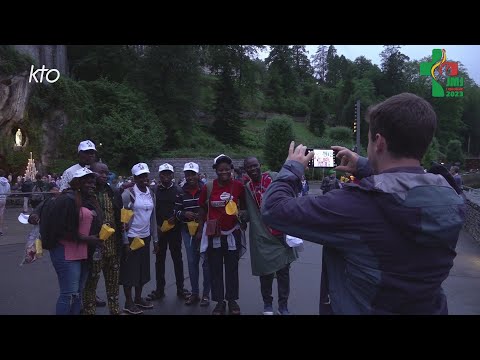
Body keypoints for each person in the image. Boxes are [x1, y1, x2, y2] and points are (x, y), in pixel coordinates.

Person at [261, 93, 466, 315]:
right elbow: (407, 184)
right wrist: (366, 166)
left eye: (369, 139)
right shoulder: (451, 199)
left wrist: (293, 167)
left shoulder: (356, 205)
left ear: (379, 142)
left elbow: (273, 208)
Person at [242, 157, 298, 315]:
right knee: (265, 271)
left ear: (260, 165)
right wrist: (241, 215)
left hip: (280, 232)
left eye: (254, 166)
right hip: (261, 235)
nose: (252, 169)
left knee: (283, 272)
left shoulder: (273, 177)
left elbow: (290, 192)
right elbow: (249, 211)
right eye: (249, 167)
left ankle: (283, 306)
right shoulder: (247, 187)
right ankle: (267, 304)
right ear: (246, 170)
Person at [46, 168, 103, 315]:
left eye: (93, 182)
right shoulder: (66, 199)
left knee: (78, 293)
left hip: (83, 252)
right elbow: (58, 228)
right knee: (69, 294)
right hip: (66, 252)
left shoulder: (88, 199)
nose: (92, 185)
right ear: (77, 182)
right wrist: (85, 238)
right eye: (88, 182)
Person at [196, 154, 246, 315]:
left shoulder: (238, 186)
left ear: (231, 170)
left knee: (232, 269)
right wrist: (199, 229)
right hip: (214, 235)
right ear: (215, 171)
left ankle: (232, 300)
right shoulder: (208, 187)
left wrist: (243, 218)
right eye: (220, 170)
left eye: (226, 169)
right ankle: (219, 301)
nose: (223, 172)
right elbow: (202, 208)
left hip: (233, 234)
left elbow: (244, 206)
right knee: (215, 269)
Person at [59, 139, 106, 307]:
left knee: (92, 266)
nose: (89, 155)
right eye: (86, 152)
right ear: (79, 154)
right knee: (77, 269)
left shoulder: (97, 170)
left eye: (92, 152)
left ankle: (90, 294)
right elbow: (61, 194)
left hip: (94, 221)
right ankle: (79, 298)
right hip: (77, 222)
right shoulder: (70, 171)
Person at [82, 162, 123, 315]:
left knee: (113, 281)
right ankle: (89, 311)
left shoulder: (113, 191)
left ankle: (115, 310)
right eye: (101, 172)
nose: (104, 175)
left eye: (106, 173)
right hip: (94, 245)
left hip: (113, 244)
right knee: (91, 282)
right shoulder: (86, 193)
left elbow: (119, 214)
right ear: (92, 173)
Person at [146, 163, 190, 301]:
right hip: (159, 230)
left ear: (172, 175)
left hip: (175, 230)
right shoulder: (154, 190)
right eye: (163, 174)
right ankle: (159, 290)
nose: (166, 176)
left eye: (168, 173)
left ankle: (180, 288)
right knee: (159, 260)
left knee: (177, 259)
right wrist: (155, 227)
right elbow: (151, 210)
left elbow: (182, 209)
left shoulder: (179, 190)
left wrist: (176, 219)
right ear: (160, 175)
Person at [119, 163, 158, 315]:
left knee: (142, 269)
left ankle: (138, 298)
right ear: (134, 178)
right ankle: (128, 302)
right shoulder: (128, 194)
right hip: (131, 237)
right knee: (130, 271)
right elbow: (123, 221)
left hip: (145, 237)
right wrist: (125, 242)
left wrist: (155, 240)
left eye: (145, 176)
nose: (144, 179)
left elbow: (152, 218)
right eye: (140, 176)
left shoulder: (151, 193)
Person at [175, 162, 211, 306]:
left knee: (206, 263)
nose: (190, 177)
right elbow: (175, 212)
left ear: (198, 175)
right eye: (187, 174)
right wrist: (184, 213)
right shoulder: (180, 191)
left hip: (204, 230)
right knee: (192, 262)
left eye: (192, 174)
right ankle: (195, 293)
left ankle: (206, 294)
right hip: (187, 230)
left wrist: (202, 222)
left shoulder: (206, 189)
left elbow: (210, 209)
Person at [0, 169, 11, 236]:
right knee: (1, 215)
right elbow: (9, 193)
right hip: (3, 199)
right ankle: (0, 230)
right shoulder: (7, 183)